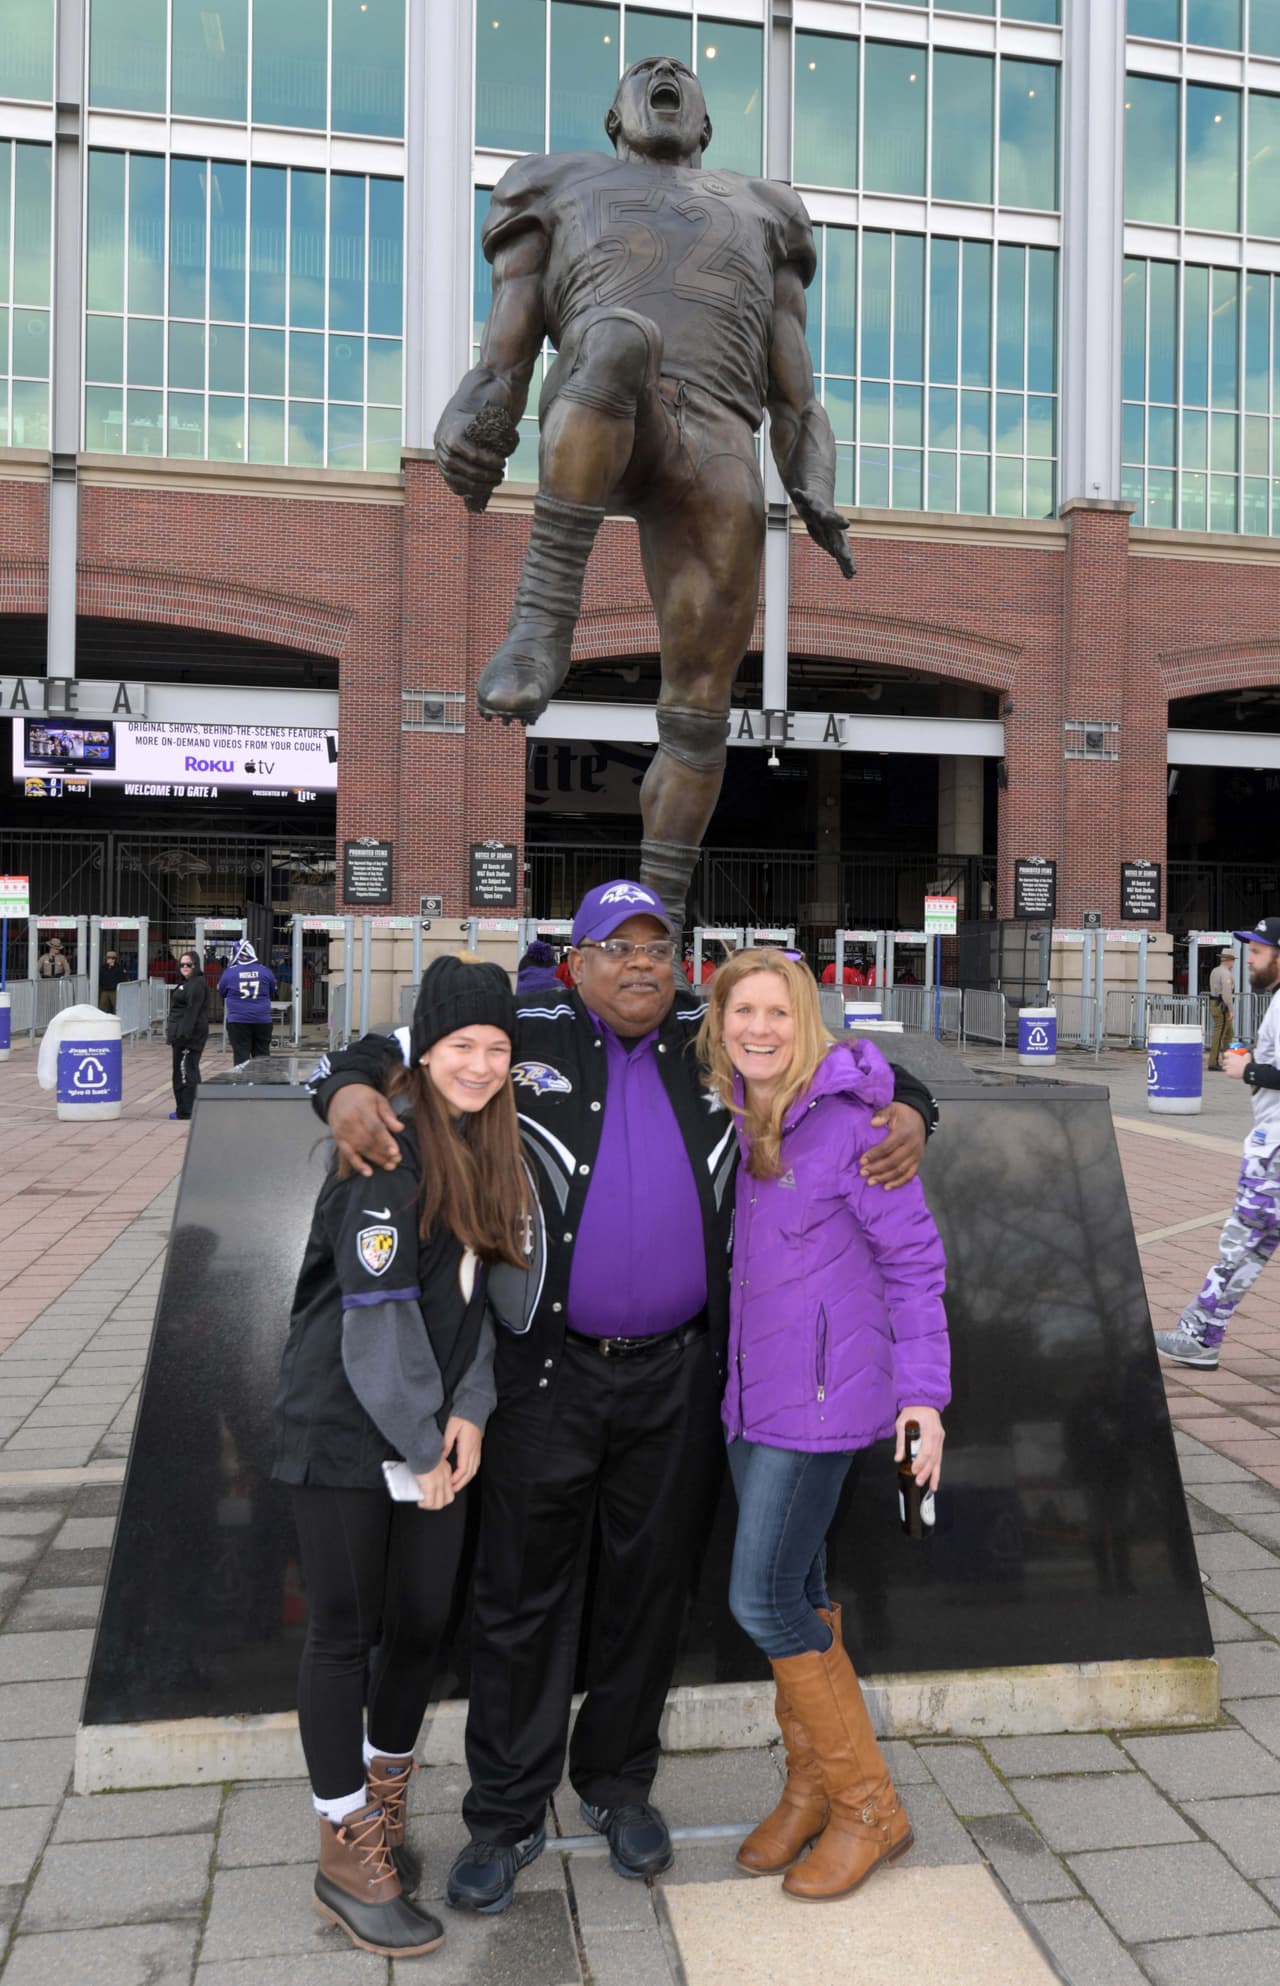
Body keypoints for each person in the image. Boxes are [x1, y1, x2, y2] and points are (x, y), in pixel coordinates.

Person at [310, 879, 936, 1913]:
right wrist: (343, 1090)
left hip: (683, 1372)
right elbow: (406, 1042)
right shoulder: (528, 1016)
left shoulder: (714, 1025)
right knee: (520, 1596)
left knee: (648, 1592)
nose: (641, 963)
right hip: (543, 1373)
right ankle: (506, 1816)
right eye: (617, 946)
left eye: (658, 946)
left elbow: (843, 1059)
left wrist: (912, 1107)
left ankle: (615, 1786)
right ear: (577, 960)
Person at [434, 57, 853, 926]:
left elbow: (796, 389)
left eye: (682, 77)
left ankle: (652, 923)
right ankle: (543, 621)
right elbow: (502, 352)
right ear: (614, 120)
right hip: (607, 396)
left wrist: (812, 479)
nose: (665, 72)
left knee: (701, 711)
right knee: (621, 337)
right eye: (642, 74)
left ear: (703, 128)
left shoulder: (765, 210)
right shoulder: (556, 184)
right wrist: (480, 420)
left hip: (718, 446)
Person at [273, 955, 528, 1959]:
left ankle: (383, 1802)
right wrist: (425, 1444)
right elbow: (375, 1333)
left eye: (497, 1048)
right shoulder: (385, 1144)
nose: (480, 1064)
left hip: (431, 1435)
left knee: (420, 1625)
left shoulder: (484, 1146)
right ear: (424, 1050)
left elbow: (476, 1306)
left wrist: (470, 1412)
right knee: (345, 1633)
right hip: (347, 1431)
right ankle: (343, 1845)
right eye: (462, 1045)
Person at [697, 951, 948, 1900]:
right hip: (747, 1399)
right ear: (720, 1024)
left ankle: (869, 1807)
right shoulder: (736, 1115)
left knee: (761, 1602)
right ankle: (810, 1788)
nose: (759, 1029)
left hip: (823, 1406)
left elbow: (915, 1269)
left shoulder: (858, 1129)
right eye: (742, 1012)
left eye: (779, 1013)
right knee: (797, 1588)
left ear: (810, 1025)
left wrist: (922, 1396)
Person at [1156, 917, 1280, 1371]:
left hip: (1274, 1155)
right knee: (1253, 1247)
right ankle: (1201, 1332)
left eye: (1260, 952)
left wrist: (1245, 1070)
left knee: (1241, 1245)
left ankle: (1198, 1335)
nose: (1251, 959)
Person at [165, 951, 210, 1121]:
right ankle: (188, 1107)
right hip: (183, 1033)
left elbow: (192, 1010)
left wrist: (184, 1035)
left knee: (185, 1072)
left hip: (188, 1036)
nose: (184, 967)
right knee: (187, 1070)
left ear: (195, 965)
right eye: (182, 964)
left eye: (188, 965)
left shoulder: (196, 984)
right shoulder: (189, 982)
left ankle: (187, 1110)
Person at [218, 939, 278, 1062]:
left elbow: (222, 992)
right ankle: (262, 1080)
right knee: (262, 1055)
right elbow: (272, 991)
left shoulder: (229, 973)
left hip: (238, 1020)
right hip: (262, 1019)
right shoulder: (265, 971)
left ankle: (242, 1081)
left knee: (241, 1056)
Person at [1207, 947, 1235, 1073]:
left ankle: (1227, 1060)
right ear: (1229, 960)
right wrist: (1231, 1009)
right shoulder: (1225, 973)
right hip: (1222, 1005)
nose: (1233, 963)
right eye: (1233, 960)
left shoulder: (1215, 971)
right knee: (1220, 1033)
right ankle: (1213, 1062)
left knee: (1229, 1033)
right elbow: (1227, 994)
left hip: (1214, 1002)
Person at [98, 949, 128, 1014]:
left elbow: (123, 979)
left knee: (117, 1006)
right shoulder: (103, 967)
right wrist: (102, 986)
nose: (107, 959)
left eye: (108, 958)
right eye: (107, 958)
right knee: (102, 1006)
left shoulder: (119, 968)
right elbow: (101, 978)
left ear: (113, 959)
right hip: (105, 990)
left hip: (114, 990)